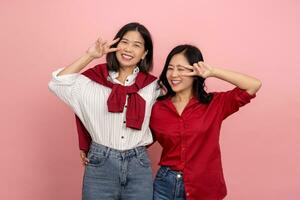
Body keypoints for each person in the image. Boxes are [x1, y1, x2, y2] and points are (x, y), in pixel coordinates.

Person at [48, 22, 159, 200]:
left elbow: (169, 117)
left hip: (139, 165)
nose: (128, 49)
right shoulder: (92, 81)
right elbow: (57, 83)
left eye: (137, 45)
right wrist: (90, 55)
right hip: (101, 165)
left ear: (145, 53)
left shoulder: (153, 87)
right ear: (116, 45)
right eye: (124, 42)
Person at [149, 44, 262, 200]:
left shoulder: (215, 104)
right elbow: (140, 141)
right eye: (170, 68)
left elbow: (253, 85)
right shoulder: (157, 108)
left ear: (196, 72)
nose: (174, 74)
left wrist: (213, 72)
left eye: (181, 69)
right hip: (165, 185)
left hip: (205, 185)